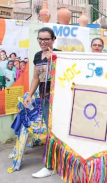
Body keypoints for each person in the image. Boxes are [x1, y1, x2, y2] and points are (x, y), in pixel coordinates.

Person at [23, 27, 60, 178]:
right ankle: (52, 165)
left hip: (58, 98)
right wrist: (29, 95)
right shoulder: (38, 56)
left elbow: (65, 77)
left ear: (53, 39)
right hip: (44, 98)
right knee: (51, 131)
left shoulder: (59, 54)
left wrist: (53, 60)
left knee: (57, 131)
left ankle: (53, 165)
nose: (43, 42)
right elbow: (36, 78)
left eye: (46, 39)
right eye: (40, 39)